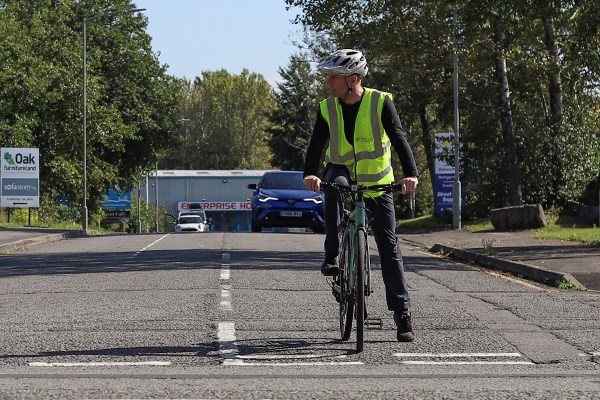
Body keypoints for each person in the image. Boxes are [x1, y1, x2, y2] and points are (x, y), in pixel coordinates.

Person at [303, 49, 419, 342]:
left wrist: (411, 174)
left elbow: (398, 137)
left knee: (389, 245)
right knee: (333, 188)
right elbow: (317, 142)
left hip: (378, 181)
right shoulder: (327, 107)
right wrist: (310, 173)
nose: (328, 82)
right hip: (341, 170)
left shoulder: (380, 102)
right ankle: (332, 254)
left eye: (334, 77)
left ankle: (402, 315)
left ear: (352, 79)